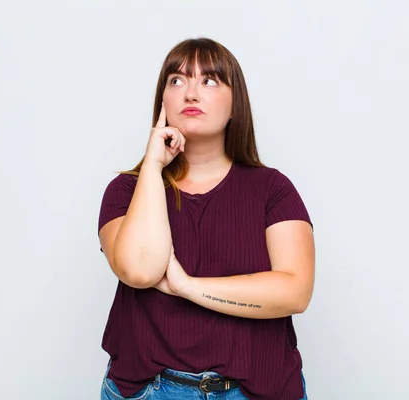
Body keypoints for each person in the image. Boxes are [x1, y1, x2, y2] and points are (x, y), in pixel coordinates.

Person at [97, 37, 315, 400]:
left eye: (209, 81)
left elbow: (294, 292)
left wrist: (185, 286)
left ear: (235, 105)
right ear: (162, 102)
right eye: (177, 81)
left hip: (257, 391)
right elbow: (141, 271)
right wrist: (153, 165)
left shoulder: (273, 189)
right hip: (151, 391)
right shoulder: (126, 191)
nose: (191, 94)